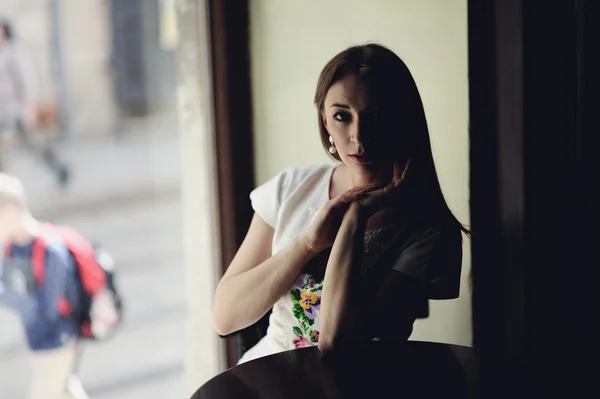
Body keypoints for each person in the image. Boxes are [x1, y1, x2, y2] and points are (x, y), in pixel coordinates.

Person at [211, 43, 468, 364]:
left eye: (376, 115)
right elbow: (225, 317)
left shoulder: (425, 228)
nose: (359, 136)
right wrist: (306, 244)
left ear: (401, 119)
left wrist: (355, 218)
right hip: (268, 376)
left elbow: (336, 340)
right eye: (342, 116)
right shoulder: (291, 188)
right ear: (325, 122)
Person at [0, 173, 88, 399]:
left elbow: (47, 309)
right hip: (36, 343)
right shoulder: (11, 248)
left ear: (11, 210)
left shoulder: (50, 249)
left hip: (57, 343)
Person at [0, 20, 69, 185]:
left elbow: (28, 81)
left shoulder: (14, 51)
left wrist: (28, 107)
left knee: (32, 144)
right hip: (3, 111)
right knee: (11, 147)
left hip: (15, 110)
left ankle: (58, 168)